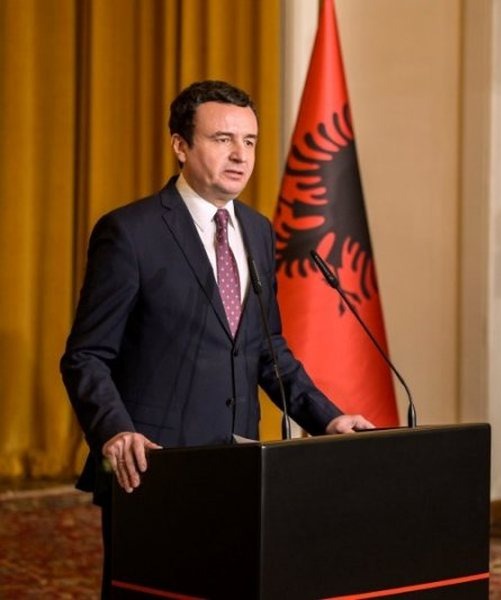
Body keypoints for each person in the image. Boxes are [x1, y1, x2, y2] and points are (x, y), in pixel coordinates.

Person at [60, 80, 374, 596]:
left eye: (249, 141)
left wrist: (327, 418)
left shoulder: (258, 231)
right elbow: (86, 356)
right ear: (180, 145)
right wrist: (116, 432)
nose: (240, 155)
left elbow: (266, 349)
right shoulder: (130, 232)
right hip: (155, 465)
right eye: (222, 139)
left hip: (241, 466)